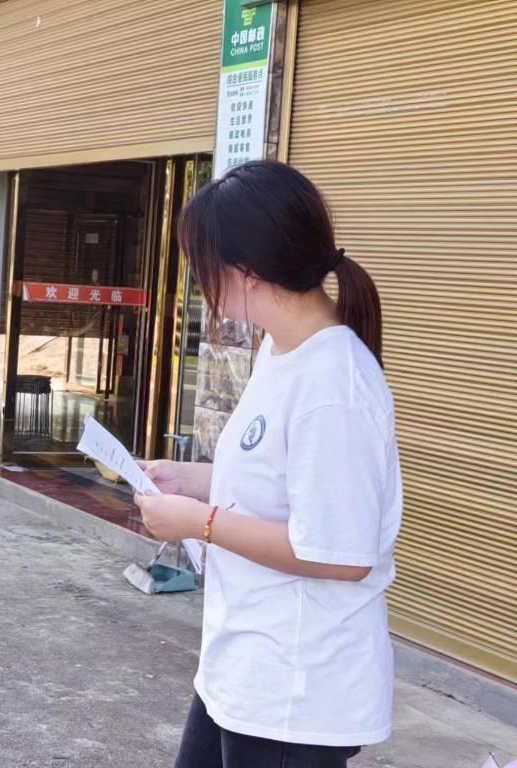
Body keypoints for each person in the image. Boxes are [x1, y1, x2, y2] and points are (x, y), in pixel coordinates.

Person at [135, 160, 402, 768]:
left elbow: (339, 553)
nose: (199, 282)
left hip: (297, 690)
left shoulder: (334, 383)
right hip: (245, 666)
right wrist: (188, 481)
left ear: (245, 272)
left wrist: (198, 522)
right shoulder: (281, 351)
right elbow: (278, 479)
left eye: (201, 265)